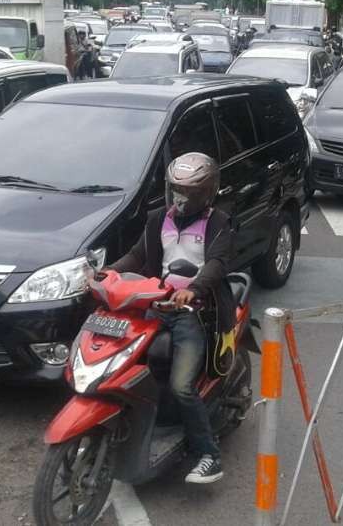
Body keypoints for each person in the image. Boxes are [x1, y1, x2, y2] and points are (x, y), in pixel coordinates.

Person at [107, 152, 235, 485]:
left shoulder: (217, 222)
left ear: (207, 193)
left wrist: (194, 289)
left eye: (189, 192)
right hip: (153, 307)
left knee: (182, 387)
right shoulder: (157, 219)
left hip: (193, 313)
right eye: (176, 189)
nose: (180, 198)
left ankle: (209, 454)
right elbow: (137, 255)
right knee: (120, 370)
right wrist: (108, 273)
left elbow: (218, 263)